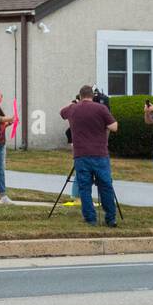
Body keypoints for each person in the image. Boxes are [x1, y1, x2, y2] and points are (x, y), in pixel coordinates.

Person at [60, 85, 120, 227]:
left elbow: (62, 112)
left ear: (80, 95)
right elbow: (114, 127)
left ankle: (90, 218)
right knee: (105, 186)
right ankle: (110, 218)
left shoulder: (72, 109)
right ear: (92, 95)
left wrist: (73, 104)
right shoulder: (101, 108)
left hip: (81, 154)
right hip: (100, 153)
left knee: (84, 187)